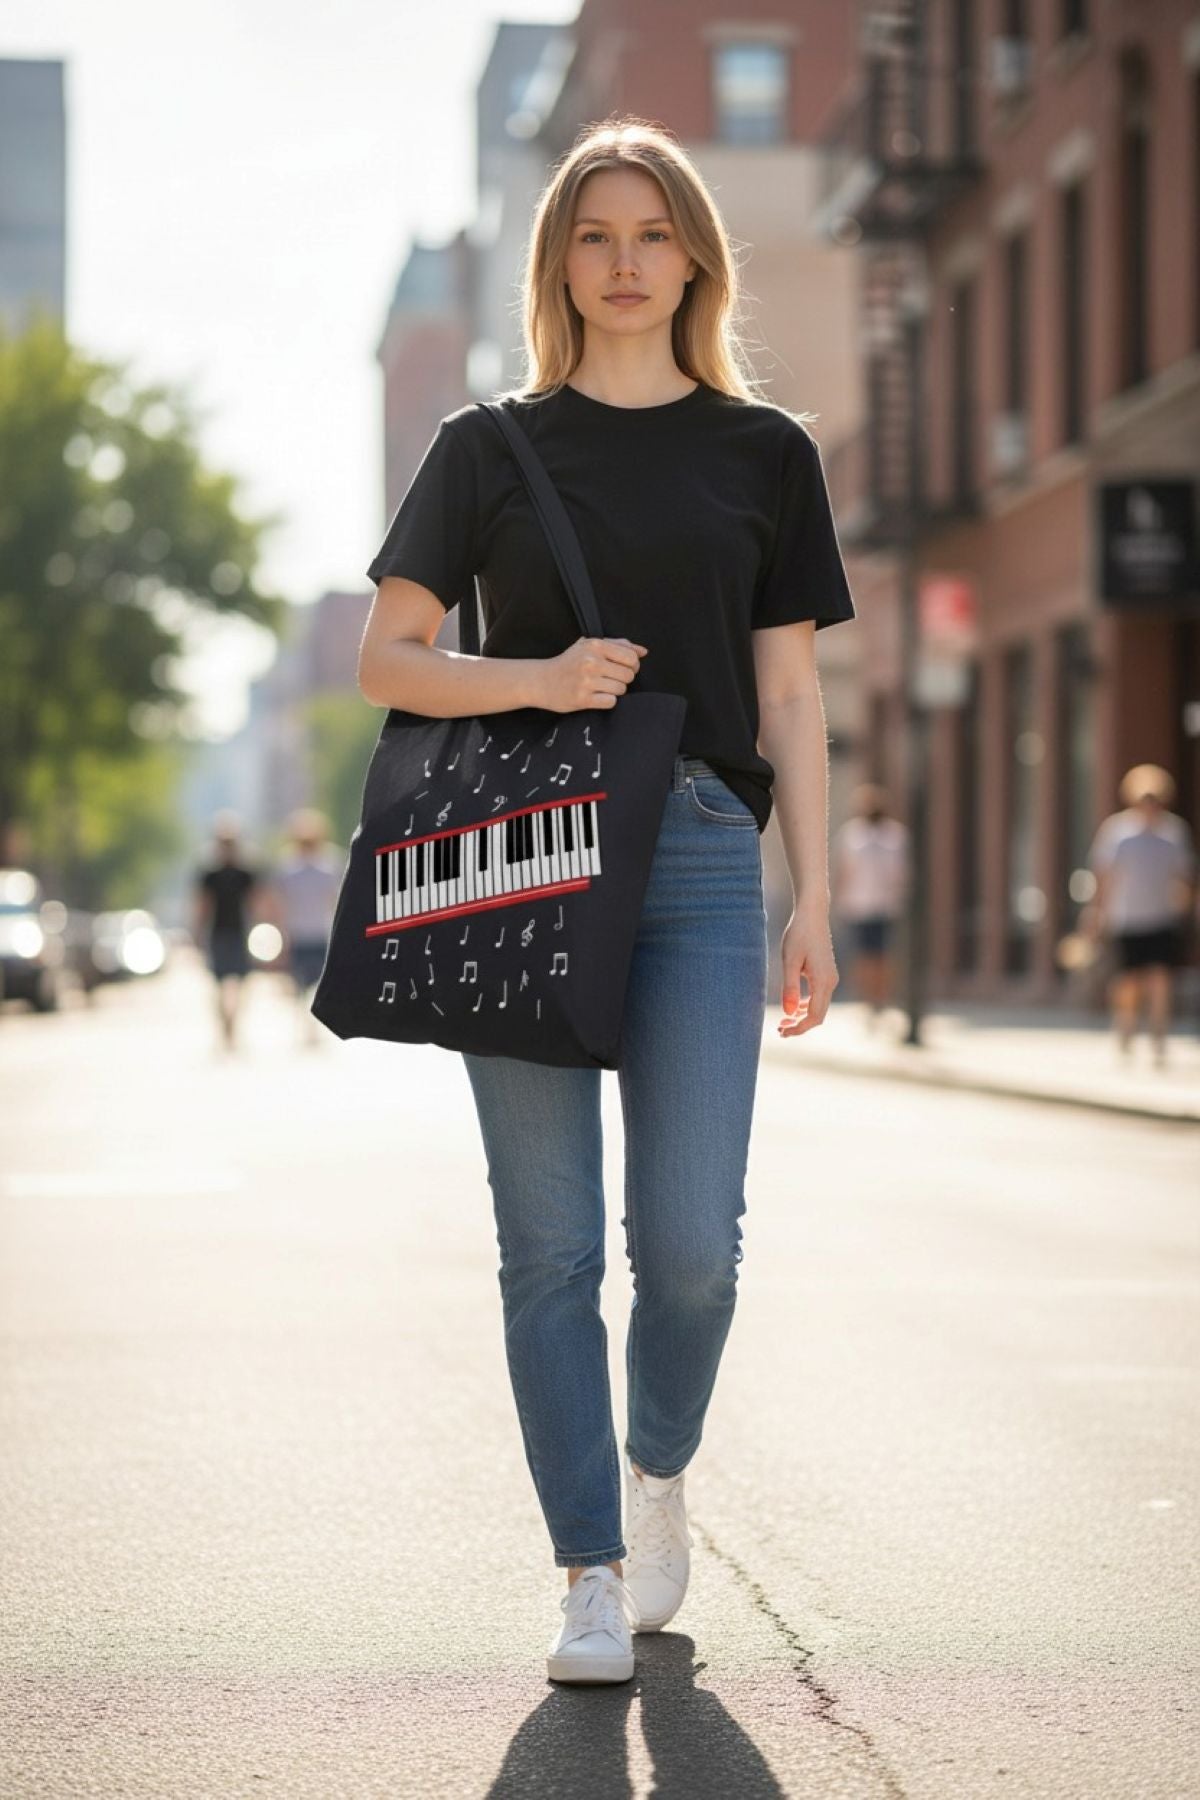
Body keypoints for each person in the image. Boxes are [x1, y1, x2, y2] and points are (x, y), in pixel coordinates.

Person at [356, 119, 856, 1685]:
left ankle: (655, 1475)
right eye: (594, 236)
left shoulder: (764, 453)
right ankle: (586, 1568)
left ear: (695, 256)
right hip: (534, 858)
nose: (624, 262)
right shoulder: (487, 447)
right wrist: (542, 679)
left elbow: (792, 694)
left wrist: (817, 899)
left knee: (693, 1244)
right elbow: (390, 657)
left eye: (651, 234)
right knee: (550, 1249)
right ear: (557, 261)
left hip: (707, 854)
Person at [1085, 764, 1196, 1066]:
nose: (1150, 806)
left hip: (1161, 917)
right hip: (1127, 918)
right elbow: (1105, 877)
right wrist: (1096, 915)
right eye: (1145, 799)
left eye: (1155, 799)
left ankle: (1159, 1039)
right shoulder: (1118, 833)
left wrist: (1185, 906)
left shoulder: (1174, 833)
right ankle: (1126, 1029)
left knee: (1160, 979)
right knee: (1129, 982)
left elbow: (1185, 876)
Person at [831, 783, 909, 1026]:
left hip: (886, 904)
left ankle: (882, 998)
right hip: (859, 903)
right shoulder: (852, 834)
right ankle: (867, 1000)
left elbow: (902, 871)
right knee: (864, 955)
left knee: (884, 954)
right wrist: (839, 899)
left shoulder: (896, 835)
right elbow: (843, 869)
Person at [270, 808, 343, 1047]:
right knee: (301, 985)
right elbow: (279, 906)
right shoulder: (287, 868)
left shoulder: (331, 864)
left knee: (319, 985)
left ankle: (313, 1025)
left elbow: (338, 901)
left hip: (321, 934)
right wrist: (281, 936)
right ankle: (307, 1026)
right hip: (299, 934)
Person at [193, 812, 260, 1053]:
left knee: (242, 983)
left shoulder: (246, 873)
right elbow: (202, 906)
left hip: (242, 933)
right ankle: (224, 1026)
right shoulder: (209, 874)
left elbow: (256, 903)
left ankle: (233, 1024)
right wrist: (197, 935)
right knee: (219, 985)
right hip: (218, 934)